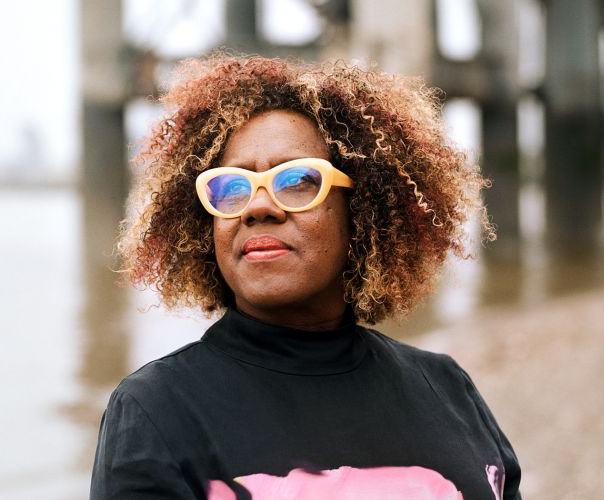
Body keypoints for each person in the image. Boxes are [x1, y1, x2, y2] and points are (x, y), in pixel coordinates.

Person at [90, 55, 521, 499]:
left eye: (297, 181)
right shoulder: (156, 410)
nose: (258, 207)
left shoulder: (447, 388)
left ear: (363, 208)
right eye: (231, 187)